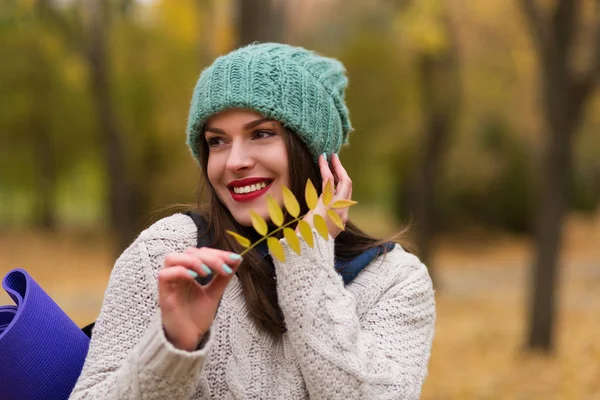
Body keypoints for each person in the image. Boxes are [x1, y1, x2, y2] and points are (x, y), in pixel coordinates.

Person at [69, 42, 435, 400]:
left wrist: (305, 259)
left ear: (314, 151)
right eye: (217, 141)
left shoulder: (394, 281)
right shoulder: (165, 255)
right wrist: (173, 346)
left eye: (261, 134)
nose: (234, 162)